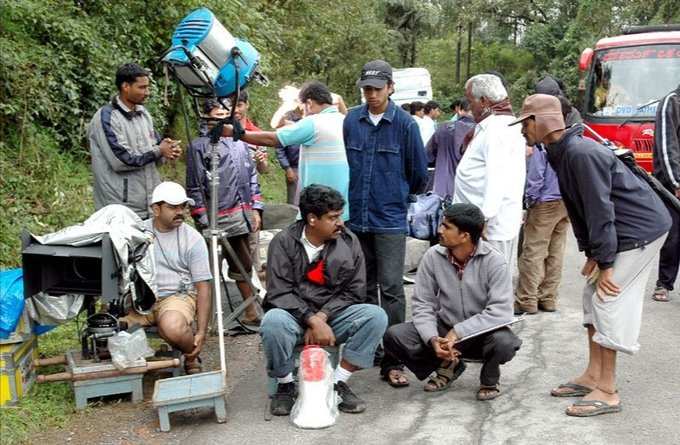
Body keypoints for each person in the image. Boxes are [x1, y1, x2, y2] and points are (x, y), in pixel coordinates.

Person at [513, 94, 671, 417]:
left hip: (640, 229)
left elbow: (600, 210)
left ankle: (608, 391)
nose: (522, 130)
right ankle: (593, 375)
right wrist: (591, 253)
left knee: (607, 300)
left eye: (526, 122)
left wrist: (608, 263)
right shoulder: (560, 151)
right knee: (590, 295)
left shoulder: (581, 152)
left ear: (542, 120)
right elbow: (576, 205)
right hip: (621, 231)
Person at [260, 185, 388, 416]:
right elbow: (279, 292)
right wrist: (310, 319)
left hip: (332, 319)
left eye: (340, 216)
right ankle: (286, 384)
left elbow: (355, 291)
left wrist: (322, 317)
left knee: (375, 316)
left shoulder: (349, 242)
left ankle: (337, 383)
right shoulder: (283, 242)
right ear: (312, 219)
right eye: (333, 218)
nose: (340, 223)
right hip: (292, 319)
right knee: (272, 321)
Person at [343, 59, 428, 387]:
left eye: (377, 89)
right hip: (358, 218)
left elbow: (419, 174)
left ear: (391, 88)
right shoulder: (352, 120)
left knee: (392, 288)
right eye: (367, 89)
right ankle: (368, 350)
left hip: (390, 218)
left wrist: (396, 193)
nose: (372, 95)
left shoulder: (406, 125)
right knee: (363, 287)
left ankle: (395, 359)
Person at [383, 203, 521, 400]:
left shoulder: (494, 261)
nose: (440, 230)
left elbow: (501, 312)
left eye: (446, 226)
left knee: (504, 342)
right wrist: (432, 338)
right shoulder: (433, 255)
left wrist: (458, 332)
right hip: (444, 328)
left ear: (465, 236)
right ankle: (448, 366)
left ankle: (489, 379)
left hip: (481, 333)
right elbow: (423, 303)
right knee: (395, 335)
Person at [224, 80, 350, 221]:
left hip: (319, 209)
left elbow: (272, 139)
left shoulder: (313, 122)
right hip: (343, 206)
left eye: (301, 106)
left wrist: (235, 133)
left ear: (309, 103)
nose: (302, 111)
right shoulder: (344, 120)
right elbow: (277, 124)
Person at [186, 99, 263, 326]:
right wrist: (201, 217)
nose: (223, 119)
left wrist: (255, 209)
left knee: (243, 264)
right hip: (215, 216)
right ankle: (205, 319)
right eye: (217, 114)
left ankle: (251, 311)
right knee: (207, 269)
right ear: (206, 116)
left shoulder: (240, 143)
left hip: (241, 214)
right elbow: (194, 186)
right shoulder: (199, 147)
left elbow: (252, 178)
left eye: (225, 114)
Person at [121, 182, 212, 374]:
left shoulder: (193, 239)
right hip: (140, 299)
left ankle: (191, 355)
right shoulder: (137, 232)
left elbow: (203, 287)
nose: (180, 212)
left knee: (171, 327)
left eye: (183, 207)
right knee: (106, 327)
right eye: (172, 207)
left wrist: (202, 331)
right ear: (156, 209)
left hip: (176, 297)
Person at [88, 63, 181, 219]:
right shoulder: (106, 117)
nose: (147, 92)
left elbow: (154, 153)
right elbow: (120, 161)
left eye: (147, 87)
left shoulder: (143, 114)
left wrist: (168, 152)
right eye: (142, 87)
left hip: (149, 204)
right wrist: (159, 151)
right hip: (120, 208)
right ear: (125, 86)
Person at [453, 74, 526, 266]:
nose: (469, 107)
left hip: (489, 230)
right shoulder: (495, 126)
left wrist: (483, 218)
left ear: (484, 101)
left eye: (471, 101)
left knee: (489, 285)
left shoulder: (498, 130)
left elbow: (498, 176)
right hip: (481, 225)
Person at [651, 84, 680, 302]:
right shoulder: (671, 102)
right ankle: (664, 283)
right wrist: (677, 182)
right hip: (672, 183)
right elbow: (666, 145)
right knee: (674, 235)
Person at [427, 98, 475, 199]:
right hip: (470, 191)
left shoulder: (443, 128)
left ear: (460, 111)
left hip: (442, 190)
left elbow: (427, 156)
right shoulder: (480, 130)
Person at [274, 109, 302, 206]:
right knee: (293, 201)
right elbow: (279, 149)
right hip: (294, 167)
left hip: (311, 165)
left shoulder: (310, 119)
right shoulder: (286, 119)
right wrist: (287, 168)